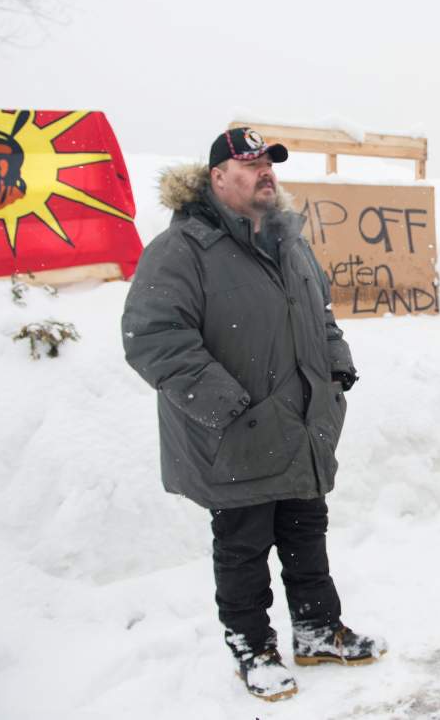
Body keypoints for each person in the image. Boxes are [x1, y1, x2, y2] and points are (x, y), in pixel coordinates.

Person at [121, 127, 386, 702]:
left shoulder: (290, 241)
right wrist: (229, 406)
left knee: (305, 529)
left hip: (300, 424)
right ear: (217, 178)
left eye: (268, 162)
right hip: (235, 433)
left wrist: (335, 370)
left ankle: (317, 629)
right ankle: (252, 647)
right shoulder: (183, 249)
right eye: (249, 163)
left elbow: (321, 314)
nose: (265, 171)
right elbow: (154, 337)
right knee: (243, 544)